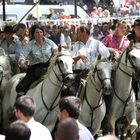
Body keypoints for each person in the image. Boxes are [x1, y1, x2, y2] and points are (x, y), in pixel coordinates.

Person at [16, 24, 58, 97]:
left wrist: (55, 53)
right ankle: (19, 103)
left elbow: (56, 50)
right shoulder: (30, 45)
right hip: (35, 69)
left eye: (41, 32)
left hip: (49, 67)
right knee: (23, 87)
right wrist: (22, 62)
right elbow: (22, 55)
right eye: (37, 32)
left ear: (43, 33)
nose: (39, 34)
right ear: (33, 34)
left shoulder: (49, 42)